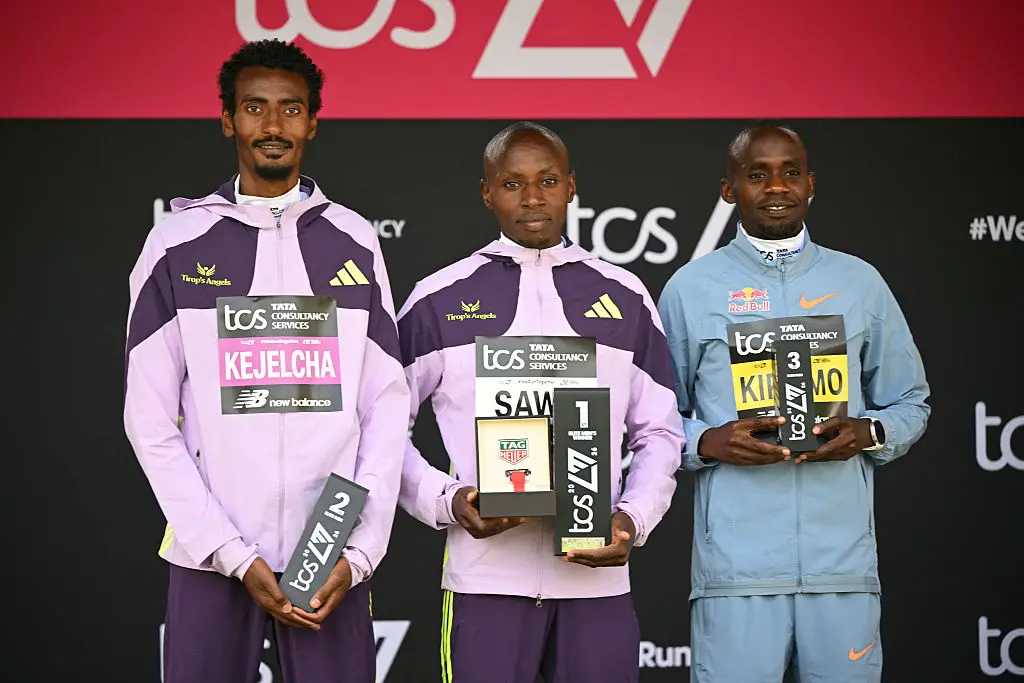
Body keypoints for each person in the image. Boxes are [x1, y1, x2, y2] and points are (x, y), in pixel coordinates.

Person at [123, 39, 408, 683]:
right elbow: (149, 420)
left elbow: (386, 406)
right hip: (211, 554)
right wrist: (226, 548)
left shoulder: (355, 240)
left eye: (290, 109)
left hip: (328, 552)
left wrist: (360, 551)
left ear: (313, 121)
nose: (273, 125)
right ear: (228, 120)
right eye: (254, 107)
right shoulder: (175, 242)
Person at [396, 121, 684, 683]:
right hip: (485, 581)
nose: (532, 198)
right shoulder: (438, 298)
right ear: (487, 192)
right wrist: (448, 500)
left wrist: (631, 518)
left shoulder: (624, 295)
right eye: (513, 184)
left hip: (595, 579)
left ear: (571, 186)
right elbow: (381, 428)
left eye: (548, 181)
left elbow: (660, 432)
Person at [657, 124, 931, 683]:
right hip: (736, 573)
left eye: (791, 173)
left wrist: (870, 433)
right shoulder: (690, 288)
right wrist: (707, 442)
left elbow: (911, 401)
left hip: (842, 569)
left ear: (811, 184)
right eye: (758, 174)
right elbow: (654, 422)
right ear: (730, 189)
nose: (777, 186)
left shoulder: (859, 282)